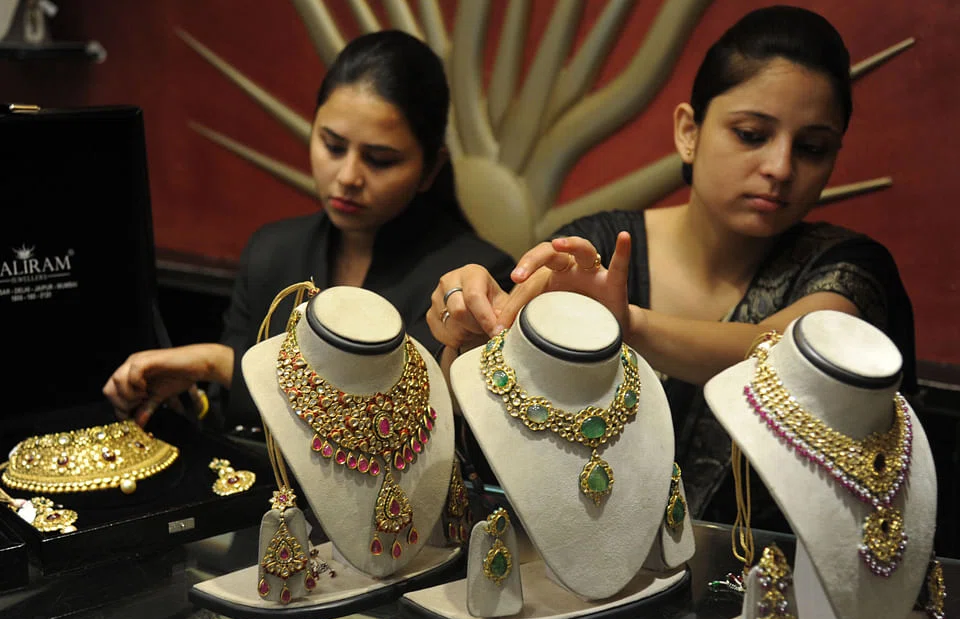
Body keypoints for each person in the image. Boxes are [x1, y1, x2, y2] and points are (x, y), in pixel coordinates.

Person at [428, 6, 916, 532]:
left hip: (770, 576)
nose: (780, 168)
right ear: (688, 131)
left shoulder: (850, 270)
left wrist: (629, 324)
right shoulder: (595, 249)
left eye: (813, 148)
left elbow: (784, 354)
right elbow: (492, 403)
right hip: (586, 560)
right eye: (752, 134)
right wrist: (472, 333)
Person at [103, 30, 514, 434]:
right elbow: (232, 419)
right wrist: (187, 399)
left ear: (430, 169)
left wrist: (221, 364)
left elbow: (388, 417)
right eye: (333, 146)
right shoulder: (271, 250)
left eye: (380, 160)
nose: (348, 176)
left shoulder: (472, 281)